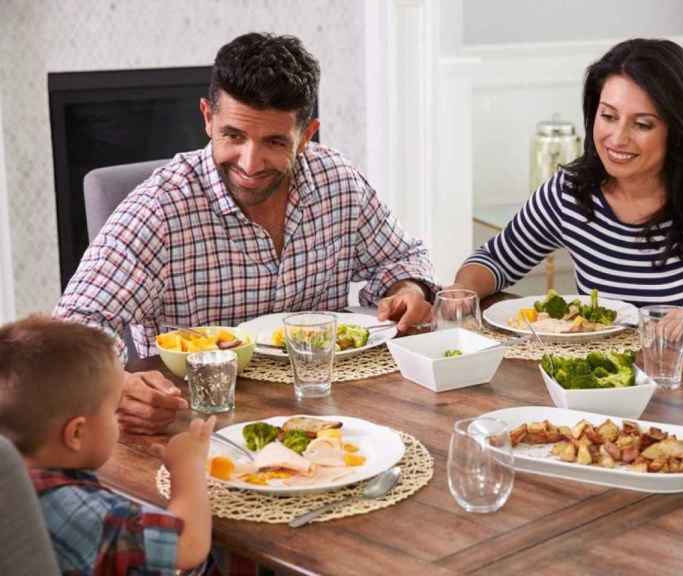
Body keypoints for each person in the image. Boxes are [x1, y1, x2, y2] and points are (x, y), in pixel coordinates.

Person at [55, 33, 437, 434]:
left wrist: (408, 288)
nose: (250, 165)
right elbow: (72, 333)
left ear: (307, 136)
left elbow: (403, 257)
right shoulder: (159, 210)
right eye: (234, 136)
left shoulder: (337, 181)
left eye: (274, 142)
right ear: (207, 117)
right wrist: (114, 387)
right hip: (200, 428)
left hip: (327, 418)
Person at [451, 38, 683, 346]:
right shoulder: (570, 191)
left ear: (678, 131)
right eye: (608, 116)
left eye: (642, 124)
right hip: (597, 388)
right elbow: (495, 260)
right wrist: (458, 296)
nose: (617, 138)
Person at [0, 316, 216, 574]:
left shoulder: (16, 482)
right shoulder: (82, 511)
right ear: (76, 433)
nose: (119, 421)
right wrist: (187, 467)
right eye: (115, 410)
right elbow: (189, 546)